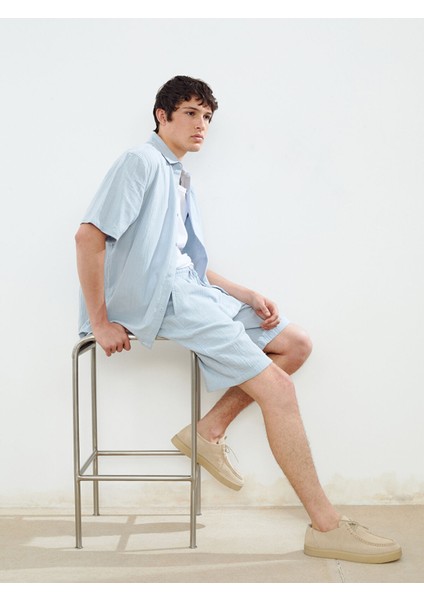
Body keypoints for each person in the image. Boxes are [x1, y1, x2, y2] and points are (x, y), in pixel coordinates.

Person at [75, 75, 401, 564]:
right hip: (166, 299)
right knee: (278, 390)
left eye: (207, 117)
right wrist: (100, 322)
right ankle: (327, 526)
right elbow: (88, 236)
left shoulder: (178, 176)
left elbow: (180, 259)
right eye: (190, 113)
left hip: (191, 288)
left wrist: (242, 292)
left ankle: (207, 431)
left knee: (295, 343)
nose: (201, 125)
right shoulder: (141, 161)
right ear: (162, 115)